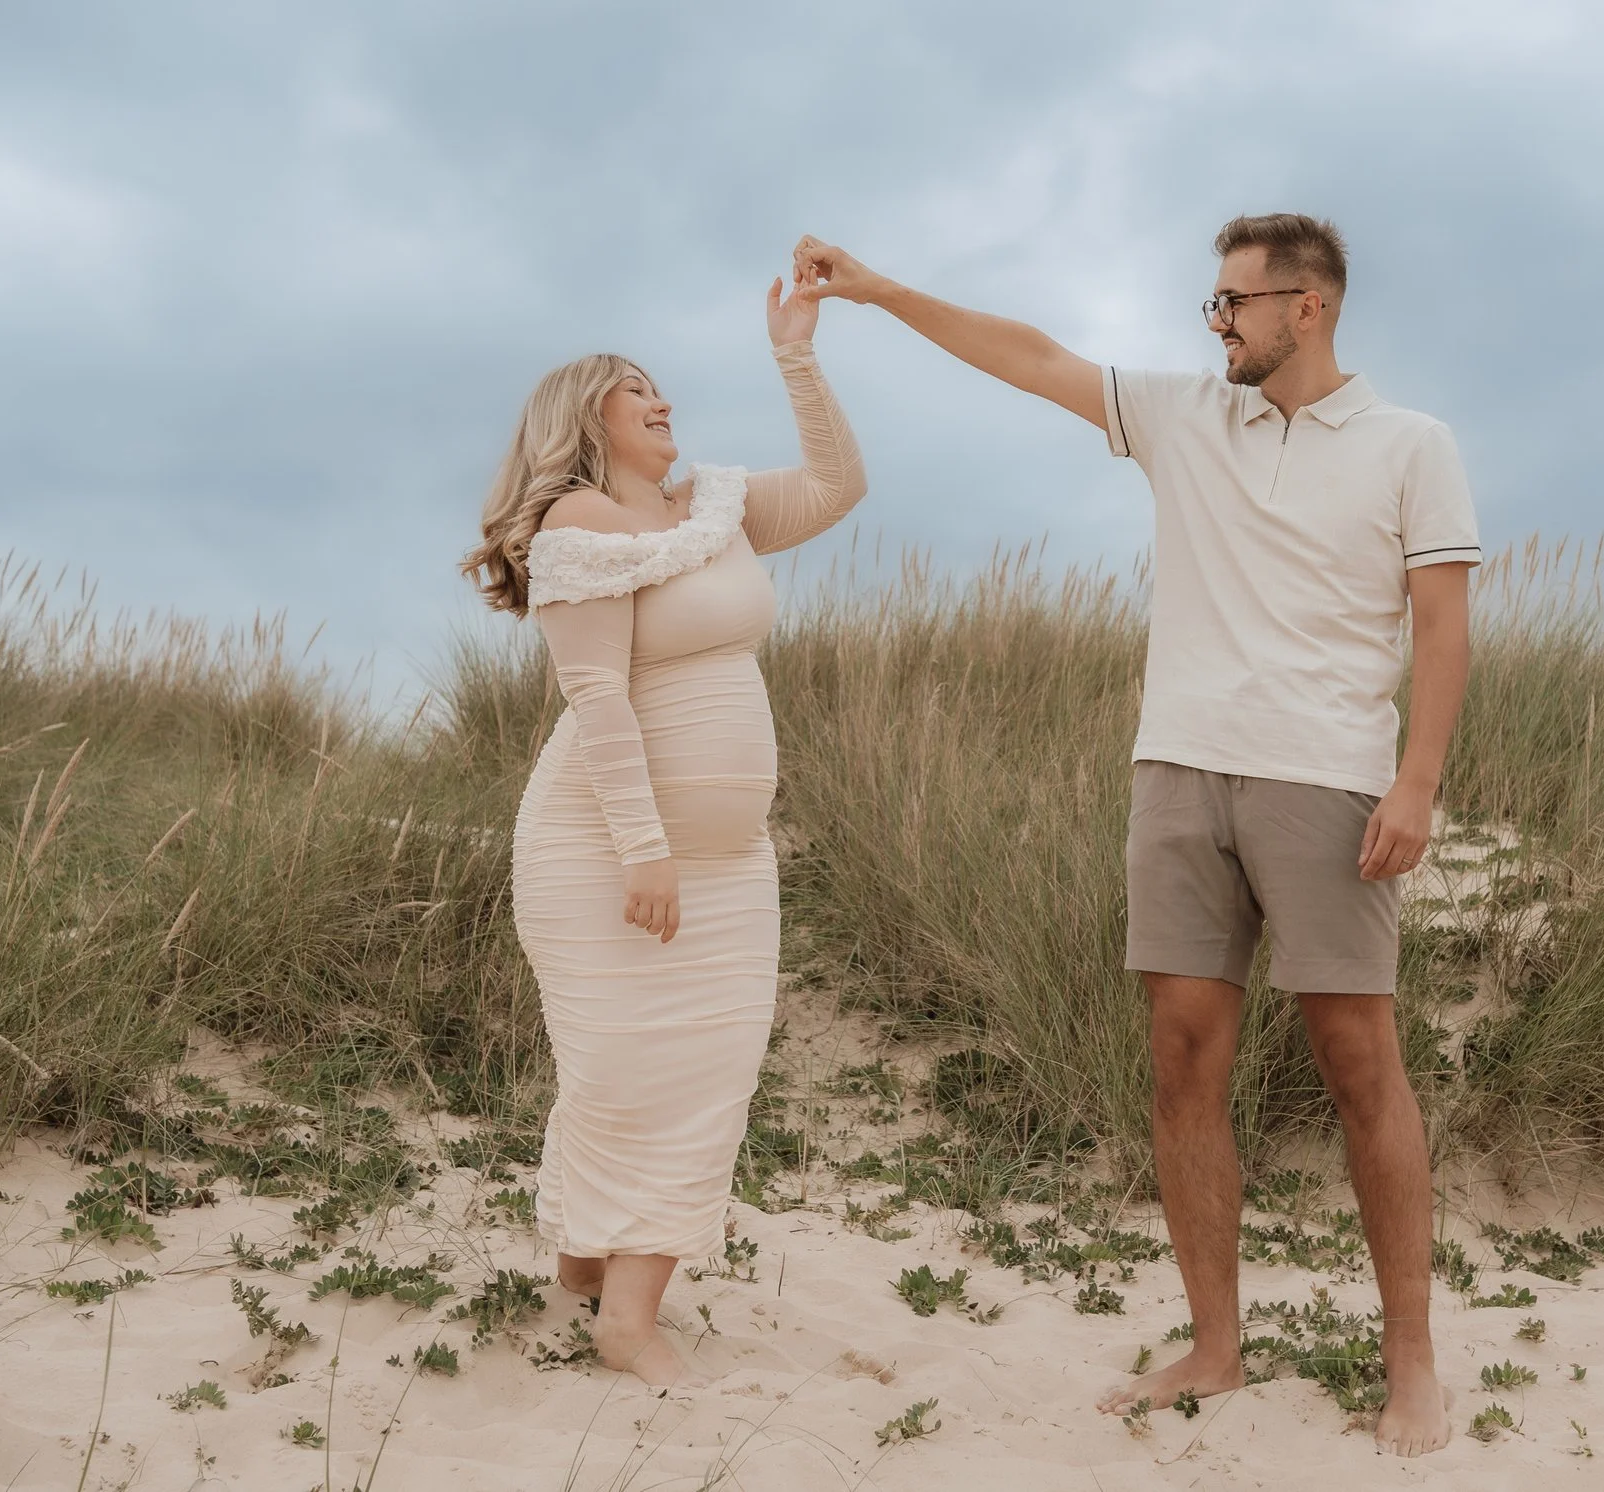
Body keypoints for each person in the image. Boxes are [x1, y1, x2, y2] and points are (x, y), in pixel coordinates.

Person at [790, 216, 1474, 1456]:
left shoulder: (1410, 447)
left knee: (1359, 1062)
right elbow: (1034, 357)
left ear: (1304, 308)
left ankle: (1412, 1361)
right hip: (1177, 773)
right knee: (1179, 1061)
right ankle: (1216, 1346)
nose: (1214, 323)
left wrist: (1415, 785)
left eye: (1232, 305)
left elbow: (1441, 629)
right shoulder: (1180, 416)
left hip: (1324, 781)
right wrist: (883, 292)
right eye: (1210, 304)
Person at [460, 269, 864, 1388]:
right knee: (629, 1070)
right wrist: (646, 849)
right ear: (586, 416)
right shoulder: (577, 525)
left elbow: (839, 483)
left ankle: (588, 1284)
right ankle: (623, 1321)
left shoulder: (713, 510)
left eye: (659, 385)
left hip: (731, 863)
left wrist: (796, 355)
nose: (660, 400)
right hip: (607, 848)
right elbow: (595, 696)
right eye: (634, 389)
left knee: (706, 1068)